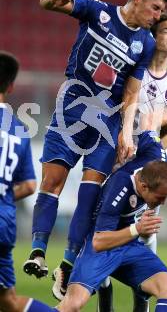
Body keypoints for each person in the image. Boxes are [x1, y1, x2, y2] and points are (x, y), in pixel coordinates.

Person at [23, 0, 167, 292]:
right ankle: (38, 252)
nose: (157, 16)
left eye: (161, 11)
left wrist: (127, 135)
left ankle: (66, 266)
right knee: (52, 181)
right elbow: (48, 2)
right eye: (155, 8)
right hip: (72, 109)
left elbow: (131, 93)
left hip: (107, 122)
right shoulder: (98, 11)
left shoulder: (144, 43)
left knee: (88, 195)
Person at [98, 11, 167, 312]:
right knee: (102, 227)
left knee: (147, 230)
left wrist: (156, 151)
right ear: (153, 35)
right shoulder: (131, 68)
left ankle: (142, 302)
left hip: (152, 162)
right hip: (117, 156)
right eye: (166, 31)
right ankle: (105, 301)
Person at [57, 131, 167, 312]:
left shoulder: (155, 155)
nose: (163, 203)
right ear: (143, 186)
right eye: (160, 197)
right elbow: (99, 242)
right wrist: (137, 229)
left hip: (129, 246)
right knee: (73, 305)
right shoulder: (119, 189)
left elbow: (152, 132)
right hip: (100, 248)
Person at [0, 51, 56, 312]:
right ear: (10, 86)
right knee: (8, 302)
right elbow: (29, 185)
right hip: (4, 222)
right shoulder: (18, 128)